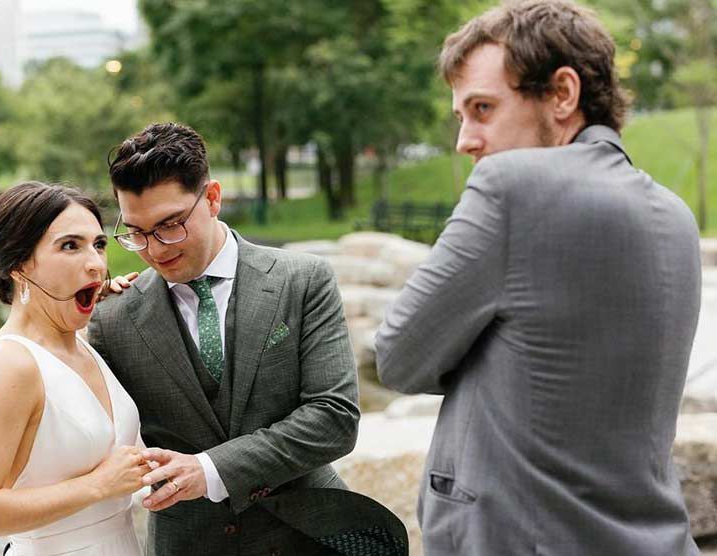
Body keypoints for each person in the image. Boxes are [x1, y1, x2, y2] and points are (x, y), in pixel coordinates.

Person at [375, 1, 702, 555]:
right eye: (461, 116)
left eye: (483, 109)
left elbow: (399, 356)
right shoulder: (675, 216)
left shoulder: (509, 187)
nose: (465, 139)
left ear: (562, 94)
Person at [89, 122, 361, 555]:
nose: (156, 249)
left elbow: (335, 418)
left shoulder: (304, 280)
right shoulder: (112, 318)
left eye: (170, 224)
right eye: (137, 233)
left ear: (213, 198)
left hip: (308, 537)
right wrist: (75, 308)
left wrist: (210, 470)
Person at [0, 182, 149, 556]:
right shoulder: (8, 365)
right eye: (70, 246)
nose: (96, 263)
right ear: (20, 264)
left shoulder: (83, 344)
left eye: (98, 244)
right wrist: (98, 485)